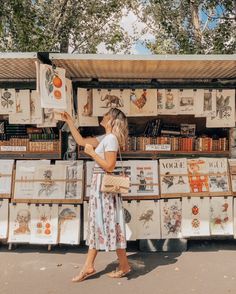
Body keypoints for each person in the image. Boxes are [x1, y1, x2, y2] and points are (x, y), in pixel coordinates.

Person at [59, 108, 131, 282]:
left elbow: (110, 166)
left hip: (104, 189)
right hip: (100, 188)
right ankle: (122, 265)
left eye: (107, 114)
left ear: (112, 120)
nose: (103, 115)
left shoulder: (111, 139)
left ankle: (90, 266)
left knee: (101, 223)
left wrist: (92, 154)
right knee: (108, 224)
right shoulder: (105, 138)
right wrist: (70, 122)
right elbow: (81, 141)